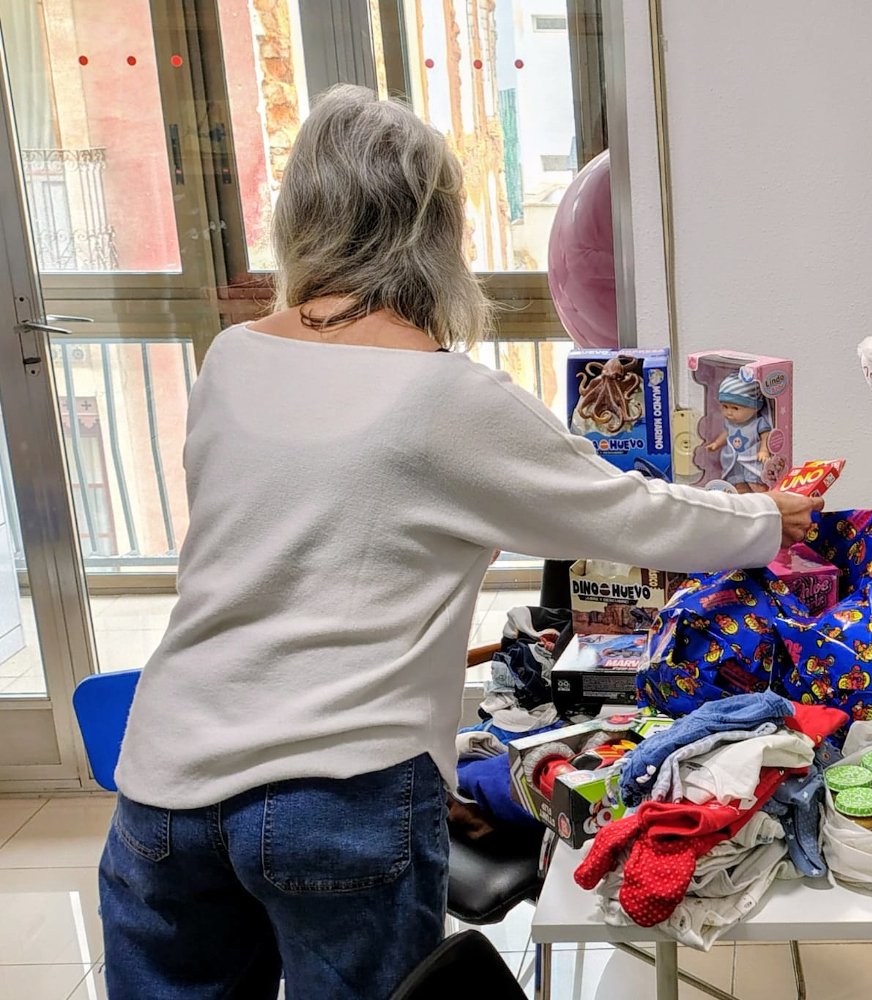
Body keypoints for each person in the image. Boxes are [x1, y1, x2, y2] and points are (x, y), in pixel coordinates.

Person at [99, 85, 822, 1000]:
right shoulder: (443, 398)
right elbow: (626, 513)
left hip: (164, 785)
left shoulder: (231, 358)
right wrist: (765, 520)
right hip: (338, 790)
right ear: (434, 228)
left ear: (301, 214)